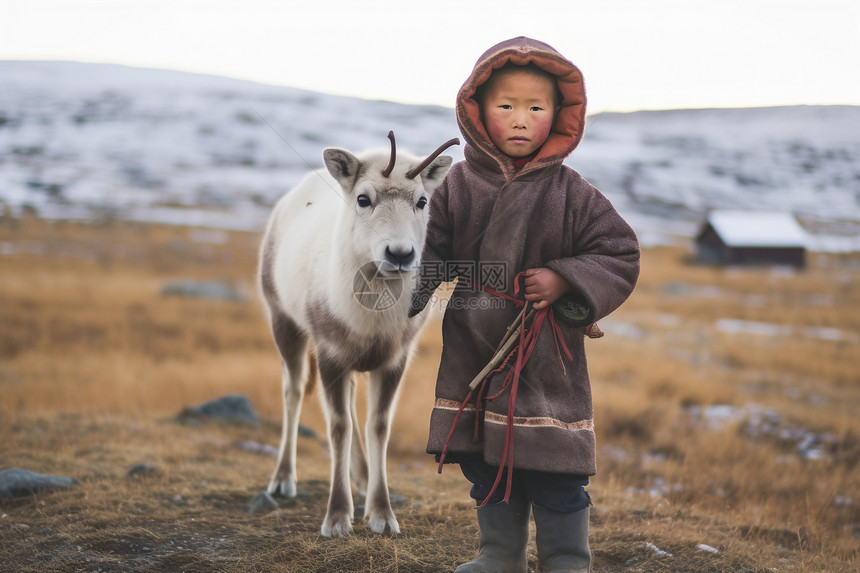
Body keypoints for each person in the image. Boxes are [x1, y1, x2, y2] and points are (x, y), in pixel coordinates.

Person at [410, 37, 640, 572]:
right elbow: (430, 251)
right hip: (474, 349)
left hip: (546, 355)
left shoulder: (572, 192)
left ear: (560, 116)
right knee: (486, 466)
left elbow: (620, 252)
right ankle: (499, 555)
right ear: (476, 111)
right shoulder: (456, 186)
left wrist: (564, 279)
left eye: (536, 108)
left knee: (556, 469)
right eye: (505, 106)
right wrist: (403, 278)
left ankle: (566, 558)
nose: (520, 119)